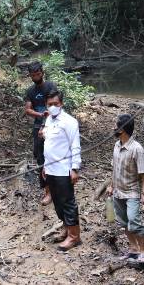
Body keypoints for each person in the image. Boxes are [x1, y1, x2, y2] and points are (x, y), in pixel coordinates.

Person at [106, 114, 144, 263]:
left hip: (131, 192)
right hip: (118, 192)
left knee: (134, 221)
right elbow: (115, 169)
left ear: (123, 129)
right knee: (124, 222)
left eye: (116, 126)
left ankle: (143, 252)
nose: (113, 128)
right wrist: (111, 186)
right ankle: (133, 249)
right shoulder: (117, 145)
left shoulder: (136, 148)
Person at [41, 90, 82, 251]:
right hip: (50, 168)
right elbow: (48, 144)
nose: (52, 107)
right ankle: (66, 229)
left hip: (64, 169)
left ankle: (74, 236)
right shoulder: (49, 120)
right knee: (57, 202)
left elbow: (75, 145)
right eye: (49, 104)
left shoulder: (69, 121)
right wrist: (45, 165)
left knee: (67, 202)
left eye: (55, 104)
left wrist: (74, 168)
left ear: (61, 104)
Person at [24, 62, 58, 205]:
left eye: (38, 74)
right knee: (40, 158)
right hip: (38, 127)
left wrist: (45, 123)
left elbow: (55, 106)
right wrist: (40, 114)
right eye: (33, 75)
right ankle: (48, 191)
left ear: (42, 72)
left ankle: (59, 188)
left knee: (55, 155)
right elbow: (28, 110)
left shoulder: (50, 86)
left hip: (53, 126)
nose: (35, 77)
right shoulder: (30, 91)